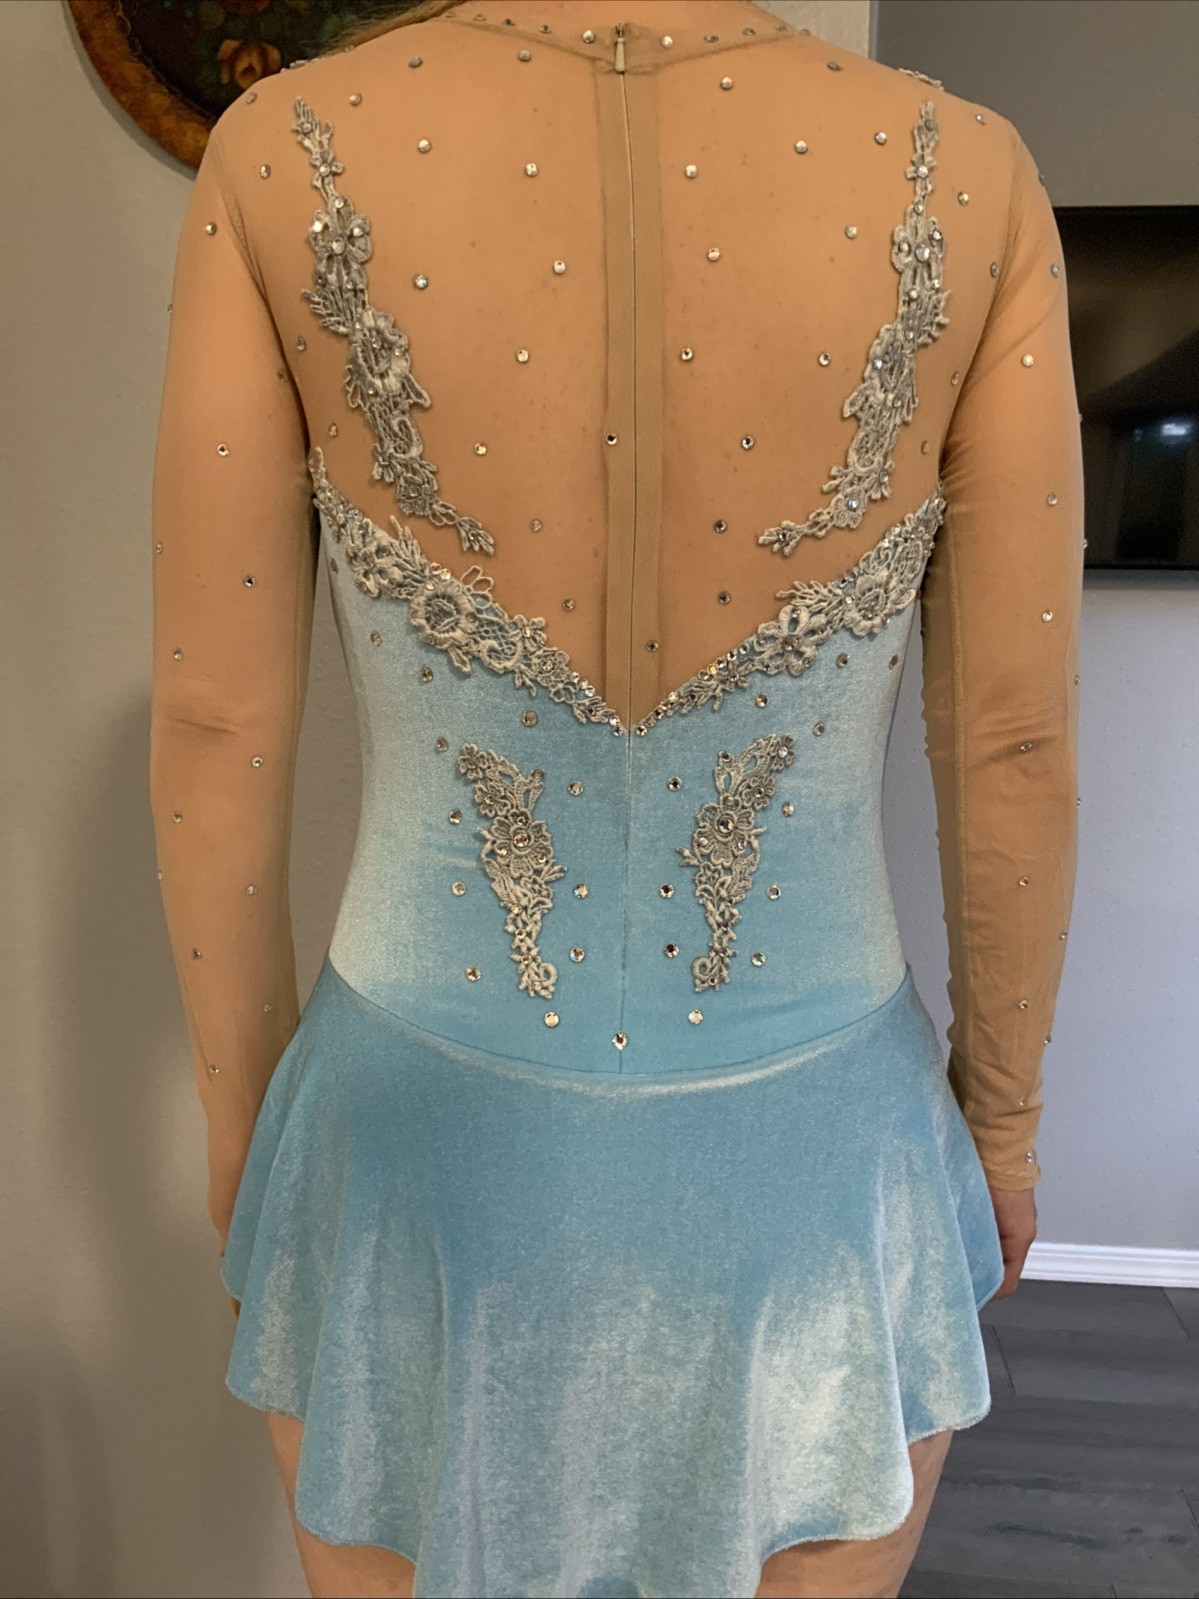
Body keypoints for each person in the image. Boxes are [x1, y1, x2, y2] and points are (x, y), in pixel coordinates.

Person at [149, 1, 1083, 1594]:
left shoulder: (283, 152)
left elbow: (213, 715)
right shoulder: (967, 174)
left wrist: (246, 1124)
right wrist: (1003, 1124)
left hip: (403, 1164)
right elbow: (1015, 739)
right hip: (823, 1180)